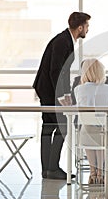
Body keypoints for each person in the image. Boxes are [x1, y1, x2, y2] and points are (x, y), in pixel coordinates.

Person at [33, 12, 91, 179]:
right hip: (49, 91)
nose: (88, 29)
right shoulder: (62, 41)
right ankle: (52, 168)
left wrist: (66, 93)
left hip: (48, 89)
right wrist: (61, 96)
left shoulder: (65, 40)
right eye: (87, 26)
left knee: (48, 127)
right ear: (80, 27)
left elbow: (63, 72)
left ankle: (48, 169)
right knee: (63, 126)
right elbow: (55, 70)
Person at [74, 58, 108, 184]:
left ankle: (93, 172)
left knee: (89, 131)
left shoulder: (78, 90)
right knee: (102, 133)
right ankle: (101, 172)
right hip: (107, 136)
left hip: (86, 136)